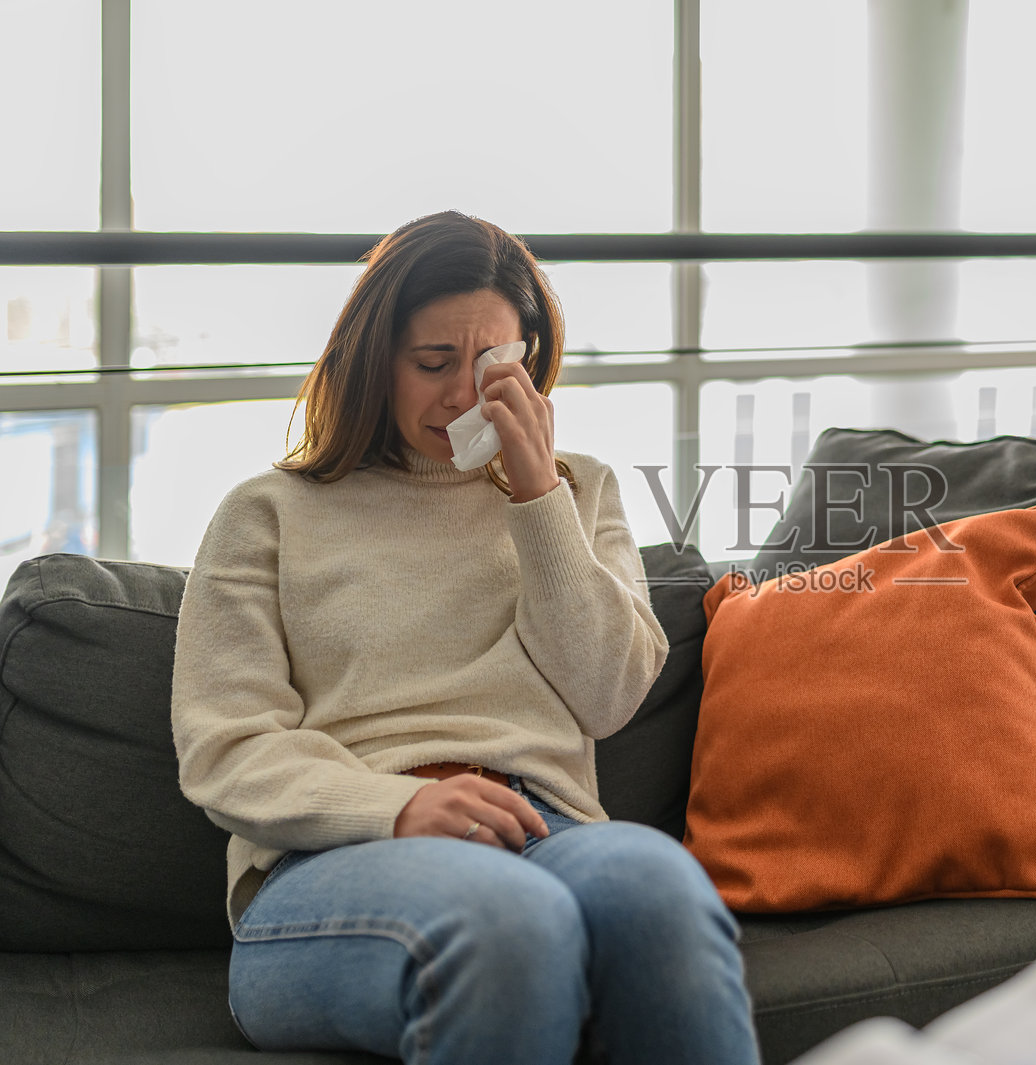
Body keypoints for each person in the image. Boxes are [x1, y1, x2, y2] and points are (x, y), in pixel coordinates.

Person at [171, 210, 760, 1065]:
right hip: (338, 857)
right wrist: (399, 806)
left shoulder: (578, 494)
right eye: (432, 364)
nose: (460, 396)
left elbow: (611, 693)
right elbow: (225, 748)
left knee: (658, 888)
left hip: (548, 828)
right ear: (374, 360)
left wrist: (535, 495)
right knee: (506, 919)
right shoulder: (266, 514)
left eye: (490, 365)